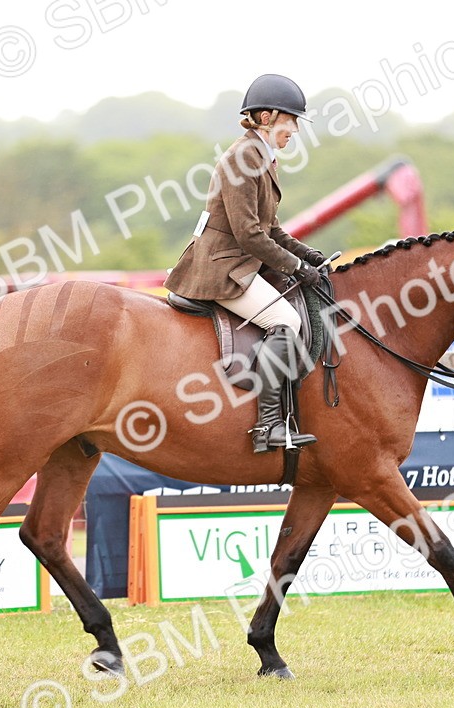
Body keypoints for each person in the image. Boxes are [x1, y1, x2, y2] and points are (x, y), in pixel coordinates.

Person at [165, 74, 326, 455]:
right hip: (222, 266)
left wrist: (306, 254)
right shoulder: (243, 158)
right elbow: (249, 235)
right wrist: (294, 268)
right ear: (268, 117)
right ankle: (268, 426)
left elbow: (271, 228)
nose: (295, 130)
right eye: (292, 120)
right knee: (286, 321)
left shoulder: (261, 157)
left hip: (240, 260)